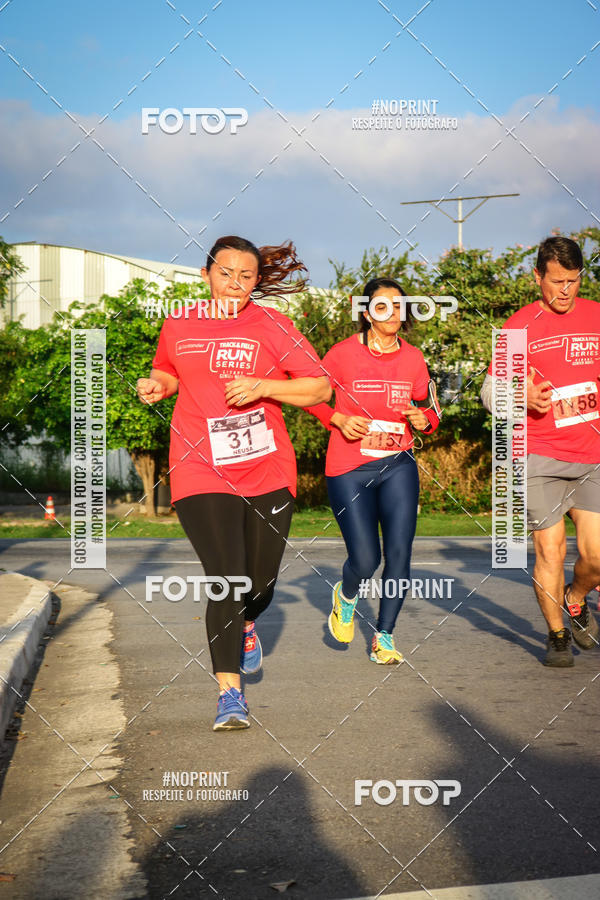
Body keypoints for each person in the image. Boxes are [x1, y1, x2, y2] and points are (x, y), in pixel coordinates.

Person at [136, 236, 331, 730]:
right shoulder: (180, 322)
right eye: (226, 273)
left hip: (266, 467)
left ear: (255, 281)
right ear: (206, 274)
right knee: (227, 577)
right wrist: (159, 385)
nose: (235, 284)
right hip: (200, 465)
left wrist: (265, 386)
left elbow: (320, 386)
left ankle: (247, 624)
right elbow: (170, 370)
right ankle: (229, 695)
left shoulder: (272, 325)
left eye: (247, 276)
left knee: (259, 583)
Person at [305, 278, 440, 663]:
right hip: (349, 467)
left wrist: (422, 418)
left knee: (399, 553)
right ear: (366, 313)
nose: (393, 312)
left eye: (399, 305)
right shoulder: (341, 354)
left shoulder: (413, 358)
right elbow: (311, 395)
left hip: (398, 465)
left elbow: (432, 411)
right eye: (383, 306)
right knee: (365, 560)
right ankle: (346, 596)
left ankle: (385, 636)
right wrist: (336, 418)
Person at [481, 236, 600, 666]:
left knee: (596, 556)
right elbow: (489, 392)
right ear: (537, 278)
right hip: (539, 456)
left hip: (592, 457)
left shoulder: (596, 316)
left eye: (573, 280)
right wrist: (521, 395)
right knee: (551, 550)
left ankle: (576, 595)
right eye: (557, 281)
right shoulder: (519, 327)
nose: (566, 290)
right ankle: (556, 636)